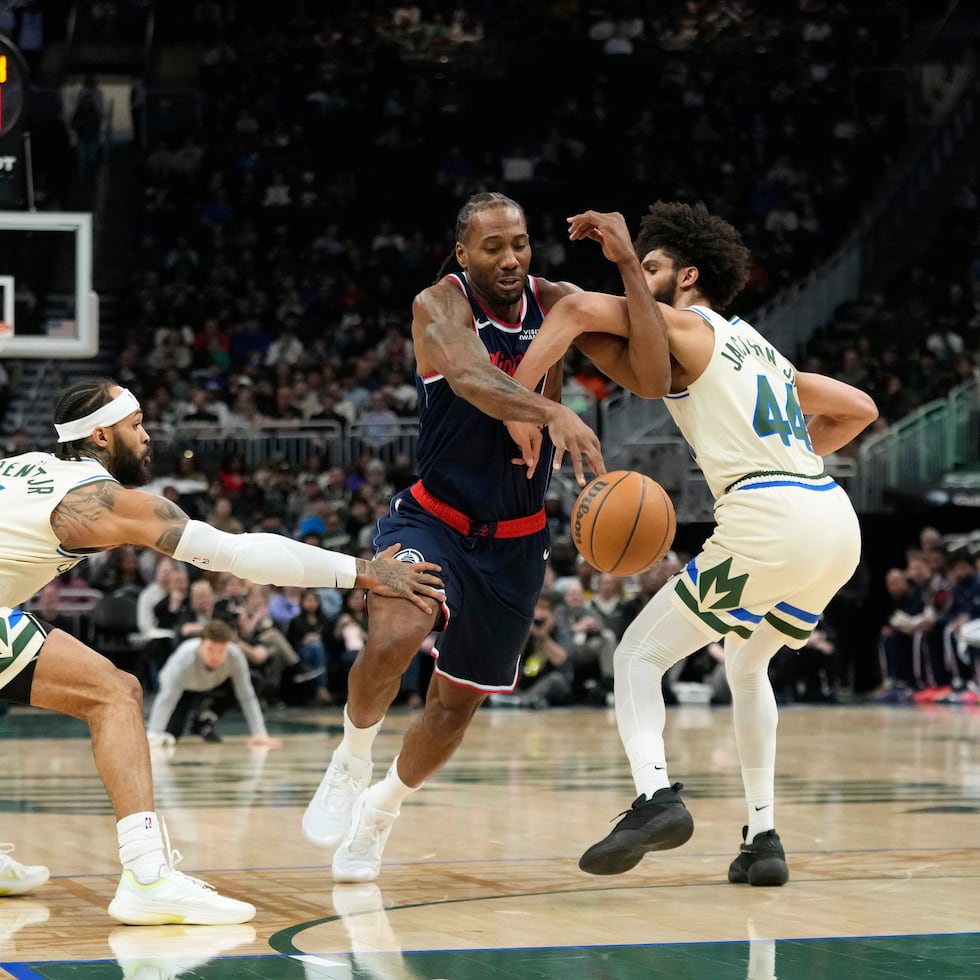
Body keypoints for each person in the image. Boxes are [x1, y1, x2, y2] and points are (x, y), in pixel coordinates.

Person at [302, 191, 664, 883]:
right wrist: (551, 410)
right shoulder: (439, 304)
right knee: (393, 638)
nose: (509, 258)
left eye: (519, 243)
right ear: (462, 253)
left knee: (453, 707)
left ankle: (380, 811)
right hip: (432, 519)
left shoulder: (559, 302)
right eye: (492, 246)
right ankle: (351, 759)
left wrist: (626, 266)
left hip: (516, 544)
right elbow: (469, 377)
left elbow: (650, 376)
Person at [513, 203, 877, 886]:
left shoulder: (683, 323)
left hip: (770, 521)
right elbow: (861, 408)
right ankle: (763, 838)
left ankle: (655, 798)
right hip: (832, 520)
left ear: (687, 278)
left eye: (651, 267)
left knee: (637, 655)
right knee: (747, 664)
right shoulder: (763, 351)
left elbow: (573, 309)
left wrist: (518, 402)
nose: (641, 281)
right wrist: (796, 463)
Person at [0, 377, 443, 924]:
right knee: (114, 695)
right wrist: (363, 571)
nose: (146, 436)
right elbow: (237, 554)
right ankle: (146, 875)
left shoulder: (22, 466)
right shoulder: (100, 501)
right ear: (100, 435)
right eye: (135, 425)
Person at [146, 619, 281, 746]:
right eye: (210, 649)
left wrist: (260, 733)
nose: (215, 656)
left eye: (221, 651)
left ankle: (206, 717)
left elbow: (247, 696)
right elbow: (166, 699)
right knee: (170, 735)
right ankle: (157, 727)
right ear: (201, 644)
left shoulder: (235, 656)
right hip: (183, 691)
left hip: (215, 686)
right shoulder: (185, 658)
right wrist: (154, 734)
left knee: (254, 680)